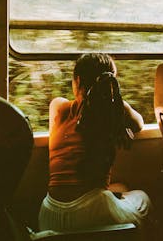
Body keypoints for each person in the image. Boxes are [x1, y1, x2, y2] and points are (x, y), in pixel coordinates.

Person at [38, 53, 151, 232]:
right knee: (142, 198)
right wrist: (116, 104)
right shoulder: (111, 116)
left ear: (78, 80)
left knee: (119, 188)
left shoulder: (58, 107)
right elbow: (139, 123)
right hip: (92, 211)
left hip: (50, 213)